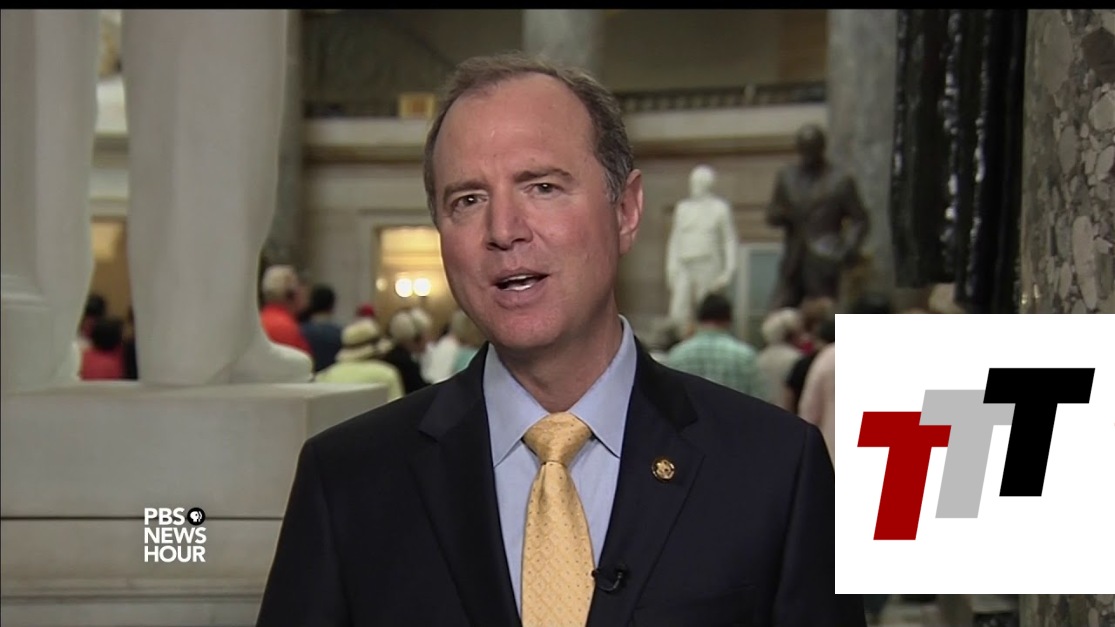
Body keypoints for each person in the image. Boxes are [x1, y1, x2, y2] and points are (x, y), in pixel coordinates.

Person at [258, 52, 864, 627]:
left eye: (542, 187)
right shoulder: (347, 482)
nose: (503, 229)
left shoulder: (775, 471)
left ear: (626, 210)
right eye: (467, 199)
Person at [766, 124, 870, 310]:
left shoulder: (840, 180)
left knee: (824, 313)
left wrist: (848, 249)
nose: (808, 155)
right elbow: (772, 212)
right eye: (804, 149)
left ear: (821, 148)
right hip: (794, 257)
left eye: (812, 149)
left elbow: (860, 219)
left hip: (826, 255)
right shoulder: (786, 177)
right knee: (779, 310)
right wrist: (782, 215)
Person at [665, 165, 738, 331]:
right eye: (694, 182)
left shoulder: (719, 208)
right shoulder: (683, 208)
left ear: (708, 184)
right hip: (684, 264)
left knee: (707, 309)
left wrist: (729, 270)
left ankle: (707, 338)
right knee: (678, 310)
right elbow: (675, 240)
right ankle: (676, 339)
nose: (695, 186)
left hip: (708, 263)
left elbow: (729, 240)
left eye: (699, 183)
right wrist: (671, 267)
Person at [665, 293, 761, 397]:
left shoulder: (678, 355)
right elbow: (760, 399)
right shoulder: (745, 356)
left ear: (699, 318)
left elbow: (668, 397)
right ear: (729, 320)